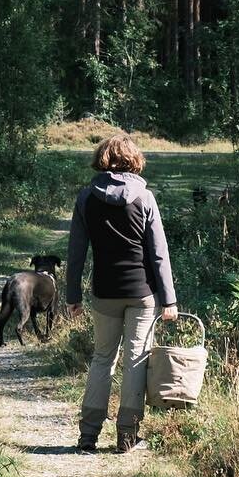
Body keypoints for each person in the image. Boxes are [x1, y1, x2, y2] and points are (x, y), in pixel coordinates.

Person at [65, 131, 178, 453]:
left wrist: (73, 295)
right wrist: (168, 299)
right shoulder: (145, 197)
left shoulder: (86, 197)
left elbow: (76, 252)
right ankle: (127, 437)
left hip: (104, 291)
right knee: (136, 361)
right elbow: (158, 253)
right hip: (142, 293)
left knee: (102, 359)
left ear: (102, 159)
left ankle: (88, 436)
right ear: (134, 160)